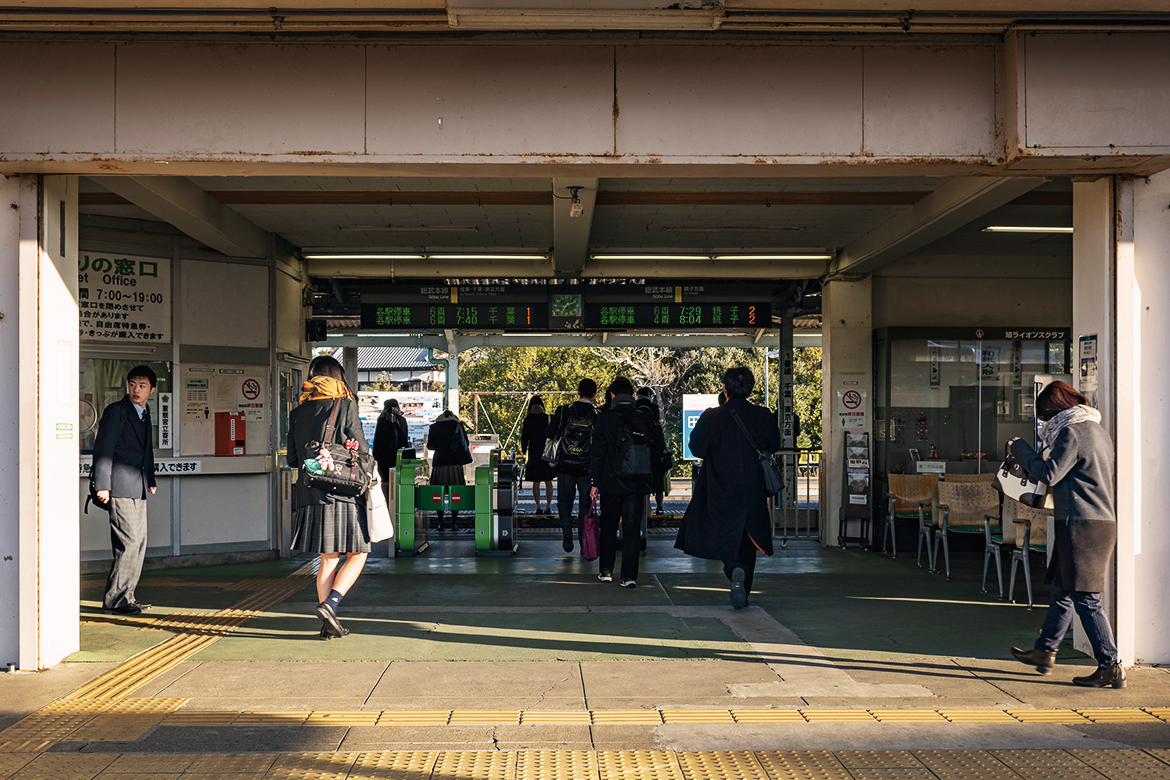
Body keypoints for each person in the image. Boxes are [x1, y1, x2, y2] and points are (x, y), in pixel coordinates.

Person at [1008, 381, 1125, 688]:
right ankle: (1045, 651)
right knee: (1062, 591)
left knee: (1086, 599)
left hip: (1081, 525)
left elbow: (1050, 474)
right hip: (1095, 522)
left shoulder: (1072, 433)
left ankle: (1110, 664)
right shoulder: (1098, 431)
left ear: (1056, 409)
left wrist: (1020, 449)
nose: (1044, 422)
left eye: (1045, 415)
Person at [675, 366, 781, 610]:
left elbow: (697, 448)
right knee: (748, 539)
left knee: (721, 534)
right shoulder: (763, 415)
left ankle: (733, 568)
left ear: (725, 389)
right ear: (751, 388)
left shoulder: (713, 416)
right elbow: (773, 444)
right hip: (753, 487)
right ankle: (744, 591)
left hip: (719, 487)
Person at [287, 355, 371, 640]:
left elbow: (293, 459)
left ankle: (327, 626)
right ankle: (331, 605)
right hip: (342, 493)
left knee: (328, 559)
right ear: (338, 376)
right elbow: (362, 453)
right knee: (358, 553)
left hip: (311, 493)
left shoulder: (297, 412)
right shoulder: (345, 405)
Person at [93, 365, 158, 616]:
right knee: (128, 543)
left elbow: (146, 450)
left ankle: (127, 596)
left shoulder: (143, 411)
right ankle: (116, 600)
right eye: (132, 384)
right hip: (118, 486)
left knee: (139, 543)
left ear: (151, 390)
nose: (136, 390)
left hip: (138, 485)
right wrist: (103, 486)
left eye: (142, 386)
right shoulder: (116, 411)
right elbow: (103, 449)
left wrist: (150, 478)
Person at [590, 377, 667, 588]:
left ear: (612, 396)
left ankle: (606, 571)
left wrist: (595, 483)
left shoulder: (604, 418)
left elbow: (597, 454)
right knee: (632, 529)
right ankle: (629, 576)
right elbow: (657, 449)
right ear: (632, 396)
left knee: (608, 526)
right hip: (637, 482)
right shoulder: (643, 417)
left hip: (611, 482)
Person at [546, 379, 599, 553]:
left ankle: (567, 530)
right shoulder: (597, 415)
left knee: (564, 500)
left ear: (577, 392)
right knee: (585, 505)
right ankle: (584, 540)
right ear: (595, 394)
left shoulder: (563, 411)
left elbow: (550, 433)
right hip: (586, 468)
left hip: (565, 465)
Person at [427, 409, 472, 533]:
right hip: (455, 463)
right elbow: (465, 443)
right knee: (455, 494)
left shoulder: (434, 427)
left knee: (438, 495)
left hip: (439, 463)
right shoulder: (458, 425)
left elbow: (430, 446)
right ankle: (454, 523)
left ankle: (441, 523)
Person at [520, 395, 555, 515]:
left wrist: (523, 451)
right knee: (548, 480)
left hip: (534, 452)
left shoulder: (527, 420)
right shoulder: (548, 418)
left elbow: (524, 438)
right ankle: (549, 506)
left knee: (536, 481)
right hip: (547, 452)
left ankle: (538, 507)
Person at [636, 387, 667, 514]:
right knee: (658, 484)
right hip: (654, 451)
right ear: (649, 394)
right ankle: (659, 508)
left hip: (638, 448)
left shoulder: (634, 405)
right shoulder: (653, 407)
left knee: (644, 485)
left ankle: (645, 513)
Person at [372, 398, 409, 502]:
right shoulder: (400, 420)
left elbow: (378, 439)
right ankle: (394, 502)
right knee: (395, 481)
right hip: (397, 456)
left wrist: (376, 455)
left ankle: (387, 502)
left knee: (386, 481)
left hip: (385, 457)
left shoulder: (383, 420)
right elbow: (404, 439)